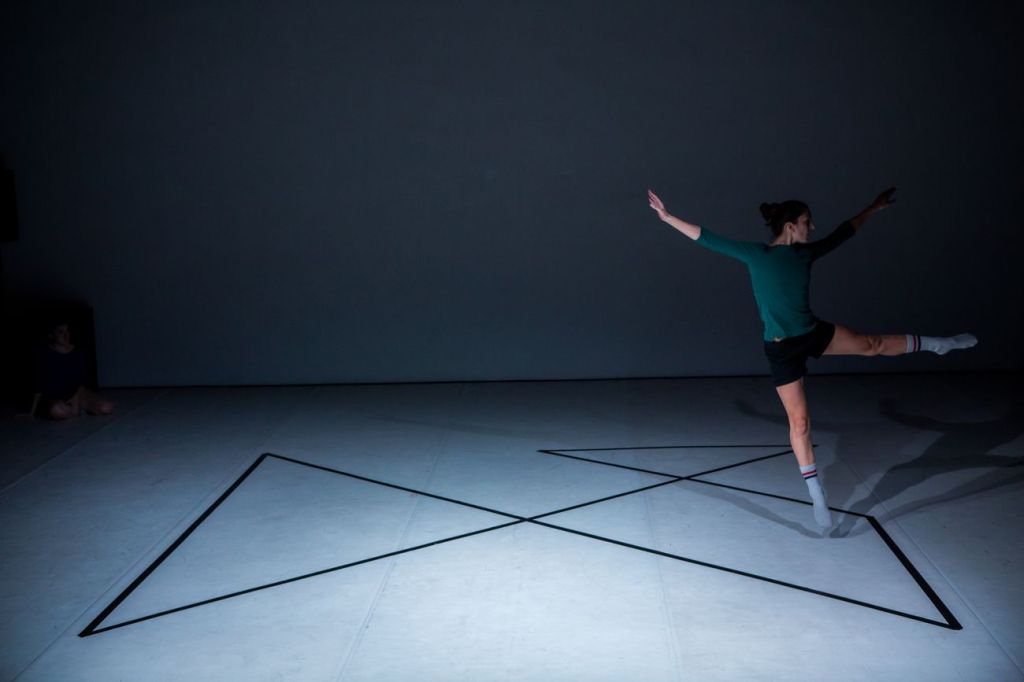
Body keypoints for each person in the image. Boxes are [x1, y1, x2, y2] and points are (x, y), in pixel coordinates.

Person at [647, 187, 976, 530]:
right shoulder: (757, 254)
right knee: (801, 423)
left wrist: (873, 208)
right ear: (790, 226)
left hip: (811, 332)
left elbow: (844, 232)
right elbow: (708, 239)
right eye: (807, 221)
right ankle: (817, 494)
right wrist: (667, 217)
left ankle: (939, 344)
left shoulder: (806, 253)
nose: (813, 227)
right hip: (782, 349)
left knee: (872, 344)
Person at [31, 321, 115, 420]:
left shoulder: (76, 353)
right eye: (61, 332)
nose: (66, 335)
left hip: (77, 394)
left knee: (106, 407)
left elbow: (81, 381)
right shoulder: (45, 354)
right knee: (57, 409)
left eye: (67, 331)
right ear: (52, 335)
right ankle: (69, 411)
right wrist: (32, 412)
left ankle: (79, 409)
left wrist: (76, 399)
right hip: (55, 397)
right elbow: (40, 386)